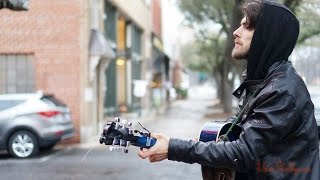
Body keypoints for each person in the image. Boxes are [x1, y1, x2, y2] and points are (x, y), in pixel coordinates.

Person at [138, 0, 320, 179]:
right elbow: (240, 131)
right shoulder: (260, 83)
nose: (236, 32)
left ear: (267, 35)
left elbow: (243, 152)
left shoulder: (282, 91)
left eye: (246, 26)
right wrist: (192, 144)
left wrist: (173, 148)